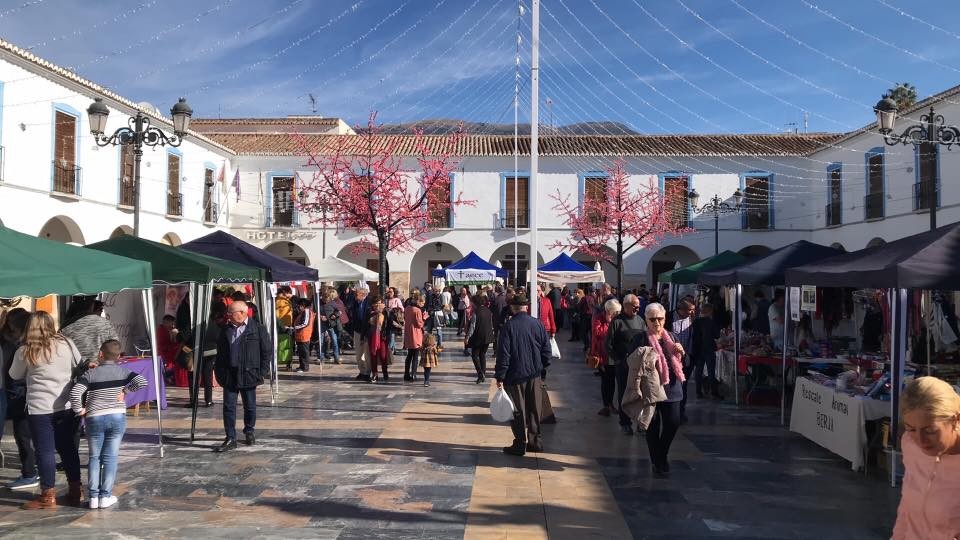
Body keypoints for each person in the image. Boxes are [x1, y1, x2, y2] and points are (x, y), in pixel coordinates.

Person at [8, 311, 84, 509]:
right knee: (68, 448)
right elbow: (79, 365)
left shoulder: (26, 350)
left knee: (45, 452)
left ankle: (48, 495)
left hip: (39, 408)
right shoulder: (67, 344)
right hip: (66, 405)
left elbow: (14, 375)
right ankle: (76, 489)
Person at [69, 340, 146, 509]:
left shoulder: (90, 374)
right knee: (110, 457)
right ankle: (105, 496)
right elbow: (142, 381)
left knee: (94, 457)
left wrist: (79, 410)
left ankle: (93, 497)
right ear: (118, 357)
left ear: (100, 354)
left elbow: (75, 392)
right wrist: (125, 391)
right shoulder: (123, 371)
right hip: (117, 416)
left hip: (94, 417)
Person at [892, 376, 960, 538]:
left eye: (930, 431)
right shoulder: (910, 445)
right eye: (911, 429)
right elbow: (906, 510)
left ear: (955, 420)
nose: (920, 440)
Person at [629, 303, 686, 477]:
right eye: (652, 319)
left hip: (672, 388)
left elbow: (686, 363)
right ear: (646, 320)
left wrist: (682, 353)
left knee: (673, 422)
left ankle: (662, 454)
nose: (657, 323)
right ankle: (657, 461)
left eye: (660, 319)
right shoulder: (640, 339)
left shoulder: (672, 337)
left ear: (665, 319)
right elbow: (630, 363)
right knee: (652, 426)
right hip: (650, 390)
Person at [494, 294, 551, 456]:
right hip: (534, 374)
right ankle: (535, 442)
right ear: (527, 307)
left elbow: (504, 354)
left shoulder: (509, 326)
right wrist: (542, 368)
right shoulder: (538, 324)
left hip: (515, 375)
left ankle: (520, 443)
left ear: (512, 308)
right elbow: (546, 351)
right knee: (534, 408)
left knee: (518, 410)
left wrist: (500, 375)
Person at [213, 301, 272, 453]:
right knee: (228, 407)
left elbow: (266, 352)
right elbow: (220, 353)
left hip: (249, 373)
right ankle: (230, 437)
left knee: (250, 406)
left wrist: (261, 372)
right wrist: (219, 372)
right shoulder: (225, 329)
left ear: (242, 313)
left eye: (230, 313)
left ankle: (249, 430)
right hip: (229, 374)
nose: (228, 316)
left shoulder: (257, 329)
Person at [1, 309, 39, 491]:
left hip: (19, 393)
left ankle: (30, 473)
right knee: (24, 436)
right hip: (17, 392)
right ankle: (31, 472)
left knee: (23, 435)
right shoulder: (24, 342)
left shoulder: (22, 344)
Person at [605, 294, 646, 435]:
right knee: (624, 393)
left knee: (640, 393)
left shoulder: (641, 320)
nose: (638, 308)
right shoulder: (617, 321)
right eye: (635, 306)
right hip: (623, 365)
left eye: (639, 306)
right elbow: (608, 344)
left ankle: (640, 423)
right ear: (626, 305)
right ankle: (625, 422)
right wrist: (617, 359)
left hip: (639, 365)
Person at [60, 297, 119, 366]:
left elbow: (60, 352)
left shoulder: (65, 327)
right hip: (99, 368)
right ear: (91, 306)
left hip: (75, 369)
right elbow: (115, 347)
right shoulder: (105, 323)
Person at [593, 299, 620, 416]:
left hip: (613, 355)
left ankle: (611, 404)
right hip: (602, 354)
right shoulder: (599, 318)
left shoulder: (617, 319)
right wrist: (610, 328)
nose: (616, 314)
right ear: (609, 311)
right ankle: (606, 405)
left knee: (612, 381)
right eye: (615, 312)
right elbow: (596, 332)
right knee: (605, 381)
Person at [691, 304, 723, 400]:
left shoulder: (695, 322)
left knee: (698, 371)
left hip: (698, 349)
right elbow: (717, 335)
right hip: (709, 349)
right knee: (711, 371)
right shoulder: (711, 322)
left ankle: (698, 392)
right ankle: (713, 392)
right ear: (710, 311)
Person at [671, 299, 695, 422]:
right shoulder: (669, 317)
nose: (692, 312)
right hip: (671, 359)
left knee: (683, 386)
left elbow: (693, 338)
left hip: (686, 358)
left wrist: (689, 355)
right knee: (672, 385)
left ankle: (681, 412)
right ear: (681, 310)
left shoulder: (692, 320)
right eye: (690, 310)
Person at [466, 293, 495, 384]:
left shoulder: (476, 312)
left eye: (472, 302)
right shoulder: (488, 311)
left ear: (475, 303)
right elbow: (491, 323)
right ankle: (483, 374)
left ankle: (480, 373)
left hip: (478, 337)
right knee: (482, 355)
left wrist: (467, 337)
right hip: (487, 336)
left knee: (474, 355)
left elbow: (472, 326)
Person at [366, 296, 392, 383]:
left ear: (383, 304)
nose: (377, 305)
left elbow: (389, 326)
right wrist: (363, 336)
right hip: (372, 336)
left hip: (382, 337)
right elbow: (365, 325)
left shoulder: (386, 312)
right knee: (373, 356)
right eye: (375, 303)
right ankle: (375, 374)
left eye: (379, 303)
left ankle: (385, 373)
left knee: (383, 356)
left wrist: (387, 336)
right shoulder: (370, 312)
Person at [403, 294, 425, 381]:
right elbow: (420, 324)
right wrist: (424, 318)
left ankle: (406, 374)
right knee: (415, 355)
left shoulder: (407, 308)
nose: (423, 304)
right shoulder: (417, 310)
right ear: (418, 301)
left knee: (409, 355)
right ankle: (413, 374)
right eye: (423, 302)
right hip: (416, 334)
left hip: (408, 333)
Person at [289, 298, 315, 373]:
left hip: (304, 334)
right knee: (301, 352)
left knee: (304, 352)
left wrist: (294, 328)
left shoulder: (307, 311)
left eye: (300, 306)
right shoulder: (303, 312)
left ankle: (305, 367)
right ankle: (301, 366)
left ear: (303, 305)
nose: (299, 307)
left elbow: (305, 323)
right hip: (300, 335)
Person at [319, 289, 344, 364]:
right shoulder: (318, 302)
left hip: (331, 324)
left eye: (327, 299)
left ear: (329, 298)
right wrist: (320, 316)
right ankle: (321, 358)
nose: (325, 301)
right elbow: (315, 312)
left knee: (334, 340)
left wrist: (334, 315)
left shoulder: (333, 303)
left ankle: (336, 358)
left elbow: (339, 311)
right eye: (324, 299)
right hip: (322, 324)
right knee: (321, 342)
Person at [351, 288, 371, 381]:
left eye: (357, 294)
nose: (355, 296)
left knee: (367, 354)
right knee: (358, 353)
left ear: (363, 295)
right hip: (357, 330)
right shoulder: (355, 302)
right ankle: (362, 371)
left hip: (367, 331)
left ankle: (367, 372)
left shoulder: (369, 303)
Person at [275, 286, 294, 370]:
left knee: (287, 345)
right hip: (283, 326)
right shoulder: (279, 301)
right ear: (284, 292)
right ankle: (285, 361)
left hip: (288, 325)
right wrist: (282, 325)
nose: (290, 294)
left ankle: (288, 362)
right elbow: (277, 315)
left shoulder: (286, 300)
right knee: (284, 345)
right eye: (289, 292)